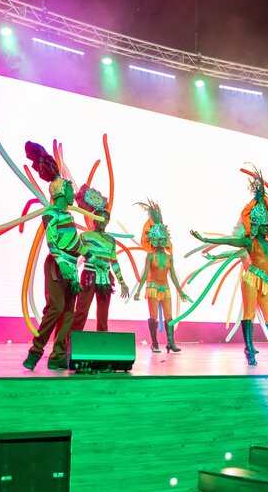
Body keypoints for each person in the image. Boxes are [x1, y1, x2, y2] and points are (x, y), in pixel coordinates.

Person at [191, 170, 268, 365]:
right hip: (251, 280)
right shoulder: (250, 242)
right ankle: (250, 351)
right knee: (249, 314)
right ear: (256, 225)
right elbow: (229, 241)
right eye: (263, 225)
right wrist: (205, 239)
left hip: (264, 283)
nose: (266, 227)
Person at [22, 142, 107, 370]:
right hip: (57, 266)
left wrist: (94, 259)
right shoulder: (52, 213)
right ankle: (36, 350)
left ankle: (58, 355)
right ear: (61, 191)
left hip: (70, 268)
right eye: (70, 189)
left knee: (69, 312)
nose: (74, 194)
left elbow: (76, 244)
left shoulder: (68, 216)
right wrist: (62, 263)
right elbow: (52, 241)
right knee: (56, 308)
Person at [133, 200, 192, 353]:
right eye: (158, 239)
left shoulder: (169, 257)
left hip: (165, 288)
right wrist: (138, 291)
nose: (161, 242)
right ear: (154, 240)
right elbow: (145, 275)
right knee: (153, 316)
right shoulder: (150, 256)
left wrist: (180, 291)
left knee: (169, 316)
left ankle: (170, 342)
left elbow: (173, 276)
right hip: (152, 287)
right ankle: (154, 343)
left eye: (163, 239)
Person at [70, 185, 129, 332]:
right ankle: (72, 339)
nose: (103, 221)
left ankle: (102, 340)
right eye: (100, 218)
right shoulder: (85, 236)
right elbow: (74, 255)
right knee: (82, 309)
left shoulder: (111, 240)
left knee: (103, 313)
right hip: (89, 275)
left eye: (106, 219)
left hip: (106, 277)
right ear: (94, 220)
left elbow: (114, 262)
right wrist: (72, 275)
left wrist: (122, 282)